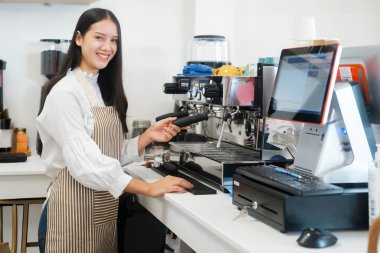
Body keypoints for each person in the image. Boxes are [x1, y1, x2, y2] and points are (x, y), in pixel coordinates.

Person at [36, 8, 193, 253]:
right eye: (99, 37)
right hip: (69, 217)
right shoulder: (65, 93)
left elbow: (107, 154)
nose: (107, 47)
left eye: (114, 40)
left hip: (99, 214)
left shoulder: (101, 89)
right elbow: (86, 165)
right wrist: (150, 188)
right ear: (79, 38)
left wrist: (147, 136)